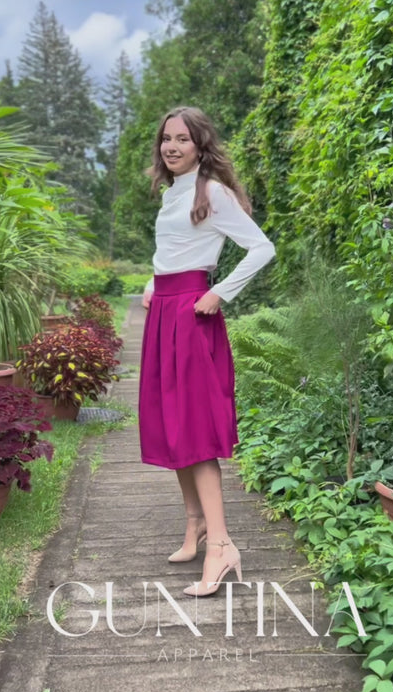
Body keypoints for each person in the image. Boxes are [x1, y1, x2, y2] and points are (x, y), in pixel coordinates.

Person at [139, 106, 275, 597]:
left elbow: (262, 248)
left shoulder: (212, 192)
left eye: (182, 139)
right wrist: (152, 282)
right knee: (171, 425)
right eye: (166, 138)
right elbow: (174, 251)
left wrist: (220, 293)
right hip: (164, 314)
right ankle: (195, 524)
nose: (171, 147)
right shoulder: (171, 193)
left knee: (194, 431)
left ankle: (221, 545)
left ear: (200, 146)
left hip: (192, 318)